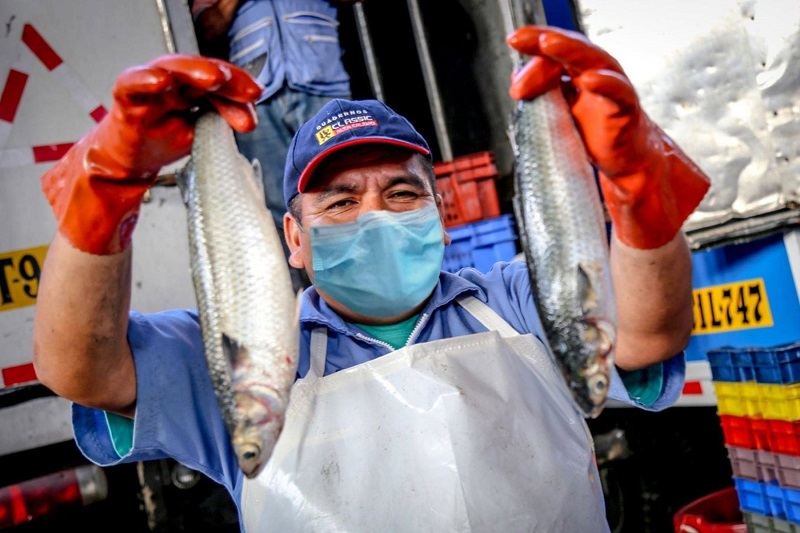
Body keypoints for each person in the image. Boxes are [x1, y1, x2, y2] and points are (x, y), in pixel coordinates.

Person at [32, 25, 709, 531]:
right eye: (341, 201)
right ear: (292, 239)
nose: (375, 215)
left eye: (402, 194)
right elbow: (82, 367)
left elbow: (647, 333)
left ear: (442, 214)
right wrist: (104, 201)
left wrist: (639, 197)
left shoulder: (514, 303)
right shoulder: (244, 352)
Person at [192, 0, 356, 291]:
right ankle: (305, 305)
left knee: (343, 192)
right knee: (277, 209)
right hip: (257, 99)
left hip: (323, 85)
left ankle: (361, 295)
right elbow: (204, 30)